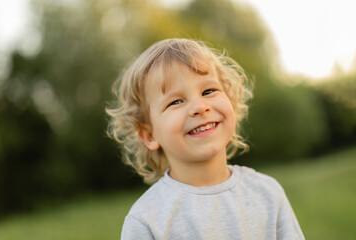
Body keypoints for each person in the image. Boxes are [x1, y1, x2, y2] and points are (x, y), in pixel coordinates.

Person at [107, 38, 304, 239]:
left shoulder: (267, 193)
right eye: (175, 101)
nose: (200, 107)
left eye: (208, 91)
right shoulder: (146, 221)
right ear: (149, 135)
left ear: (231, 102)